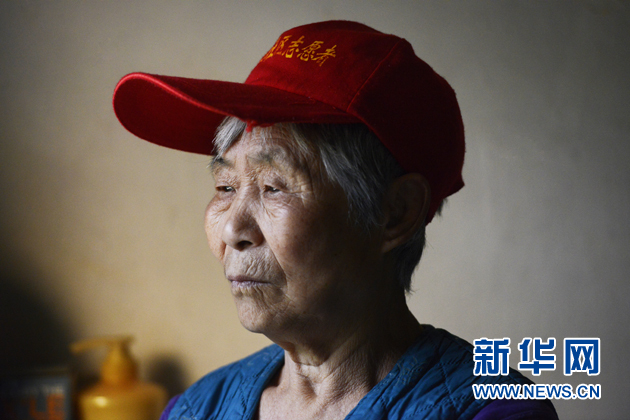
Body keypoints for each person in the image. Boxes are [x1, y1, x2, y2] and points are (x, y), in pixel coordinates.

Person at [113, 20, 558, 420]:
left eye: (273, 187)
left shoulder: (490, 411)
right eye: (225, 187)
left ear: (395, 213)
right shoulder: (197, 408)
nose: (232, 231)